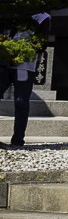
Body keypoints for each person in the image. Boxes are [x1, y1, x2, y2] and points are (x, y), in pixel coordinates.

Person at [3, 13, 48, 147]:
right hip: (3, 61)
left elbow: (41, 44)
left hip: (25, 65)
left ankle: (18, 139)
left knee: (21, 102)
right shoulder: (9, 10)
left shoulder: (43, 17)